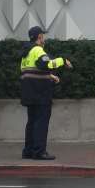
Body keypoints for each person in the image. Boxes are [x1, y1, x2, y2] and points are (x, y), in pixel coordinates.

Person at [20, 26, 72, 160]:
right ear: (39, 37)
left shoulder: (26, 52)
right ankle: (39, 152)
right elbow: (45, 64)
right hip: (40, 92)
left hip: (29, 91)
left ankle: (29, 150)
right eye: (43, 36)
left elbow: (32, 70)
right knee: (41, 122)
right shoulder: (37, 50)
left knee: (31, 122)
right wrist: (62, 60)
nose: (44, 38)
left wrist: (49, 76)